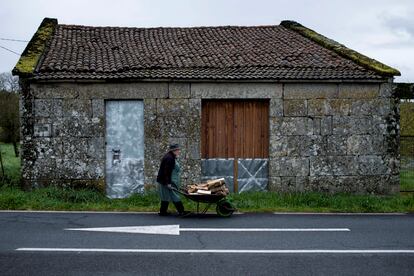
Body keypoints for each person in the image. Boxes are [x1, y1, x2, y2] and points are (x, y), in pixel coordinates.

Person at [156, 144, 190, 216]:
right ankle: (181, 211)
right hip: (168, 180)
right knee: (174, 195)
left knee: (165, 195)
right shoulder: (169, 158)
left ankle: (163, 212)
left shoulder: (171, 156)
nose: (179, 151)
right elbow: (166, 172)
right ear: (173, 150)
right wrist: (168, 183)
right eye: (178, 150)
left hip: (167, 180)